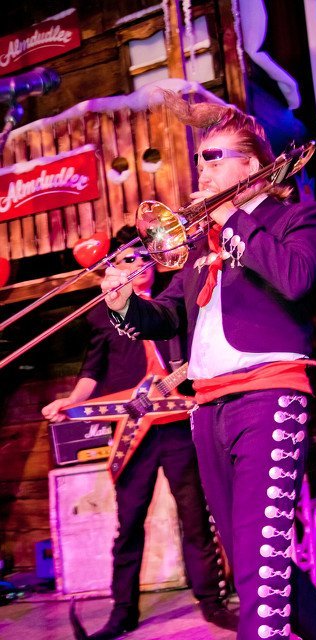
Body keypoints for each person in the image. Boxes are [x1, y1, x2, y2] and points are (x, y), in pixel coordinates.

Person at [100, 96, 316, 640]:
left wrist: (232, 217)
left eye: (216, 157)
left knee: (259, 568)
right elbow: (169, 315)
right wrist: (124, 304)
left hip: (269, 399)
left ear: (252, 165)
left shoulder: (298, 217)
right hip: (207, 410)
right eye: (200, 160)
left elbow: (295, 277)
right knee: (253, 556)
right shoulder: (203, 242)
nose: (203, 170)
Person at [42, 226, 237, 640]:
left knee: (195, 517)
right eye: (129, 258)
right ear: (112, 266)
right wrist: (69, 403)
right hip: (134, 429)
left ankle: (212, 603)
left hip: (178, 422)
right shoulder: (101, 314)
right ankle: (122, 613)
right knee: (129, 522)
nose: (140, 264)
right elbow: (92, 370)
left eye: (145, 257)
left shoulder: (176, 298)